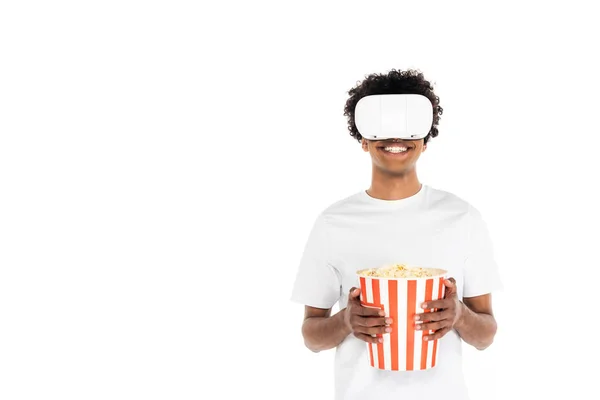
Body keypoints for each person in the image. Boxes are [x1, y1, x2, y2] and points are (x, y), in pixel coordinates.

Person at [290, 69, 502, 400]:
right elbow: (311, 335)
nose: (395, 137)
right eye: (381, 125)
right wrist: (347, 320)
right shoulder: (333, 223)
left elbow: (486, 334)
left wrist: (459, 315)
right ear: (362, 138)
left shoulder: (463, 218)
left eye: (409, 125)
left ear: (426, 139)